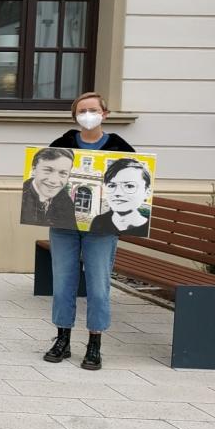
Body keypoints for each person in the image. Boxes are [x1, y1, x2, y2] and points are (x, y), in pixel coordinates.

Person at [42, 92, 138, 371]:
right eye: (82, 110)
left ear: (105, 114)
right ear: (75, 116)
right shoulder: (62, 144)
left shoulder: (120, 147)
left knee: (98, 286)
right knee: (63, 284)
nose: (88, 115)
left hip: (102, 228)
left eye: (93, 110)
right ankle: (63, 338)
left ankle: (95, 342)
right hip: (65, 225)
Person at [88, 158, 151, 236]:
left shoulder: (149, 228)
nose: (117, 193)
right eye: (112, 185)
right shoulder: (99, 221)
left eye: (129, 186)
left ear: (147, 192)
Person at [21, 147, 77, 227]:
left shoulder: (67, 202)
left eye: (63, 173)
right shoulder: (21, 195)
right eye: (48, 170)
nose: (54, 180)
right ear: (34, 170)